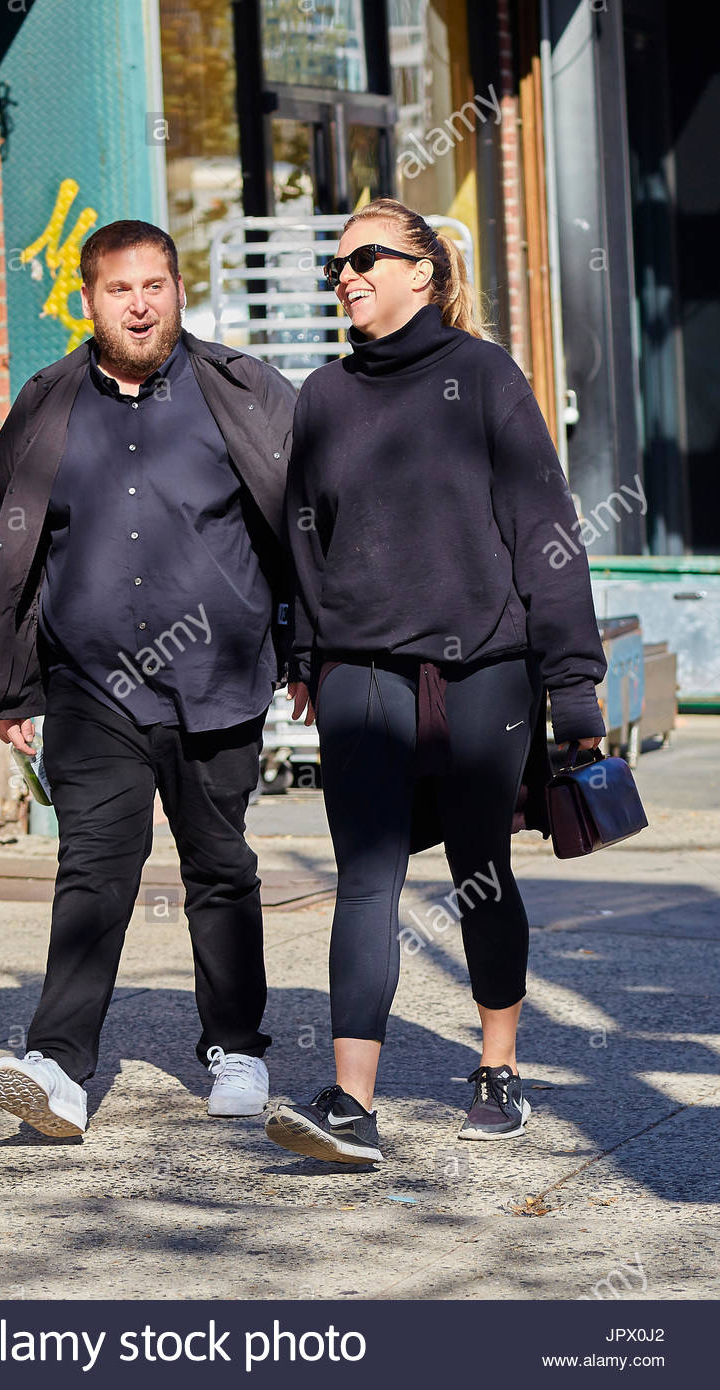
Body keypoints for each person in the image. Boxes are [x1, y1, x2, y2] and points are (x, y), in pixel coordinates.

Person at [265, 198, 607, 1165]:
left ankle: (497, 1067)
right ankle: (349, 1103)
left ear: (425, 270)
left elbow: (546, 529)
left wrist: (573, 683)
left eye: (366, 257)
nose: (347, 276)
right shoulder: (323, 395)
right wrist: (304, 655)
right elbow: (300, 535)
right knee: (366, 882)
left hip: (484, 671)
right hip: (359, 670)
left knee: (478, 872)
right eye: (335, 266)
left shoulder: (485, 376)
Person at [0, 220, 296, 1137]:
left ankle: (236, 1047)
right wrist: (8, 682)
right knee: (93, 871)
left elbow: (303, 526)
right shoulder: (47, 404)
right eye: (120, 289)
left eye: (155, 285)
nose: (140, 305)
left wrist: (307, 656)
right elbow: (5, 544)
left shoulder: (244, 394)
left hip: (218, 680)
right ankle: (58, 1066)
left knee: (220, 869)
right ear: (88, 300)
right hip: (90, 685)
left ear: (178, 290)